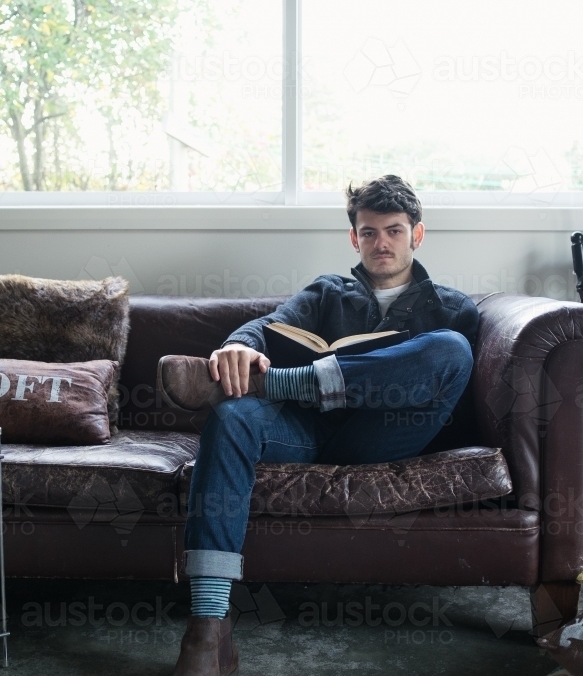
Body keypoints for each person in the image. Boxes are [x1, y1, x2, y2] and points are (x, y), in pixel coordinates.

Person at [158, 175, 479, 676]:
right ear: (354, 238)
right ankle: (207, 625)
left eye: (394, 231)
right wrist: (237, 346)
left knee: (450, 350)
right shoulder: (327, 292)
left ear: (417, 234)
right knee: (231, 414)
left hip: (389, 433)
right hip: (310, 430)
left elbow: (449, 383)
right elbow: (264, 328)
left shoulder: (453, 308)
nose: (381, 243)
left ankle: (279, 384)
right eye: (369, 233)